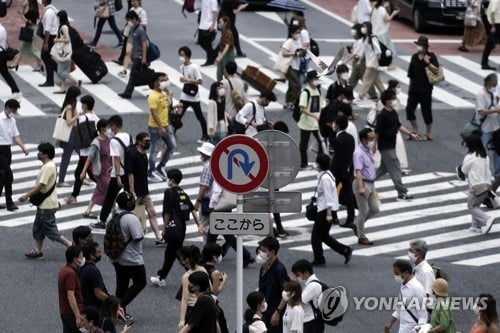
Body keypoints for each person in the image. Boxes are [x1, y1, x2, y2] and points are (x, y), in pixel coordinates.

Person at [150, 168, 204, 287]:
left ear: (172, 180)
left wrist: (164, 228)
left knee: (178, 254)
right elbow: (192, 209)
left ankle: (195, 275)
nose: (167, 180)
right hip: (182, 228)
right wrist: (198, 225)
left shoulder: (169, 192)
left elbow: (167, 212)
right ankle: (162, 276)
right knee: (173, 253)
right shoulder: (182, 193)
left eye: (168, 178)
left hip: (173, 227)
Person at [19, 142, 72, 259]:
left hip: (46, 205)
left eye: (40, 152)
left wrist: (27, 195)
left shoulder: (48, 167)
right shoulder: (50, 165)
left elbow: (42, 185)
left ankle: (71, 246)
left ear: (46, 155)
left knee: (51, 230)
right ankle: (38, 250)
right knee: (38, 228)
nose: (38, 154)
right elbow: (50, 186)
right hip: (47, 203)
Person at [310, 153, 353, 266]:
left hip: (325, 210)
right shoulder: (327, 174)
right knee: (324, 235)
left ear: (319, 164)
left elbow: (328, 196)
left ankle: (319, 259)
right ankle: (345, 250)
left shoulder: (325, 178)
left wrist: (329, 214)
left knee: (315, 236)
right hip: (326, 209)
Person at [374, 89, 417, 200]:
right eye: (392, 99)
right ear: (387, 101)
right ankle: (402, 192)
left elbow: (398, 125)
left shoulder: (392, 112)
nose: (394, 100)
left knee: (383, 169)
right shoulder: (382, 115)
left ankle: (366, 182)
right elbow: (377, 131)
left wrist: (410, 134)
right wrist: (375, 144)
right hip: (386, 146)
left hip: (390, 145)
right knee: (396, 168)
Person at [111, 191, 146, 321]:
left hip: (116, 256)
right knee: (140, 282)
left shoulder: (113, 216)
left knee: (121, 284)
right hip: (131, 257)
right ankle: (119, 306)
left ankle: (120, 313)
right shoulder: (131, 218)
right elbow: (138, 236)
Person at [92, 115, 132, 229]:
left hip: (118, 173)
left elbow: (116, 158)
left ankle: (102, 220)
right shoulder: (129, 137)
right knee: (129, 196)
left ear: (114, 125)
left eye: (110, 126)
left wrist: (117, 175)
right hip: (128, 171)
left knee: (109, 197)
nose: (109, 129)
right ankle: (132, 219)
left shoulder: (114, 141)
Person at [127, 132, 163, 244]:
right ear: (138, 141)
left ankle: (158, 237)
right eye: (145, 141)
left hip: (144, 190)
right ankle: (133, 237)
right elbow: (130, 173)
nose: (147, 143)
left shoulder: (143, 154)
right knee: (135, 216)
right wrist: (132, 190)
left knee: (152, 212)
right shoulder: (132, 155)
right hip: (136, 191)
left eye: (148, 141)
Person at [461, 134, 498, 234]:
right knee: (476, 204)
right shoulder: (485, 156)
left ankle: (487, 219)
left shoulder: (470, 156)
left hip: (476, 185)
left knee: (471, 206)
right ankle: (475, 226)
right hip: (487, 184)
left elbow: (464, 170)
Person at [67, 95, 99, 205]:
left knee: (93, 175)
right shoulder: (95, 117)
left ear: (85, 105)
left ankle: (109, 190)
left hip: (86, 151)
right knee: (79, 173)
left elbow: (69, 123)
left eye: (82, 104)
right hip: (93, 149)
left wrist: (73, 113)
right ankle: (74, 196)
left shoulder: (82, 119)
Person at [406, 36, 439, 141]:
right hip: (414, 89)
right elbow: (411, 73)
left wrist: (427, 62)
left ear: (425, 47)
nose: (419, 47)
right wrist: (409, 88)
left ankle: (428, 132)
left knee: (426, 111)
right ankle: (415, 130)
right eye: (418, 45)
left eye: (421, 45)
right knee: (409, 110)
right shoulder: (414, 57)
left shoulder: (431, 56)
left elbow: (436, 70)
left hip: (426, 89)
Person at [383, 259, 428, 333]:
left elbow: (423, 316)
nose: (395, 276)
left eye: (397, 273)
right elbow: (401, 307)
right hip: (403, 328)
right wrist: (390, 322)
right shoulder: (404, 284)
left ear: (406, 272)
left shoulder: (417, 288)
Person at [0, 99, 29, 211]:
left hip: (7, 150)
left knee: (2, 177)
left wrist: (23, 148)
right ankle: (9, 202)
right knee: (8, 175)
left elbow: (15, 136)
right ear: (7, 107)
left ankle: (8, 202)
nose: (14, 112)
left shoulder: (12, 121)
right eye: (14, 110)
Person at [147, 72, 176, 182]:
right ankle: (151, 172)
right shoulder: (152, 96)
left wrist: (169, 123)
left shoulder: (164, 93)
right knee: (155, 150)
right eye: (161, 80)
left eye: (165, 80)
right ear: (155, 82)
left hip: (166, 125)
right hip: (156, 127)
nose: (164, 83)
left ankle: (161, 166)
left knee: (172, 146)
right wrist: (160, 127)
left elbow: (167, 108)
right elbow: (154, 113)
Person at [80, 119, 112, 218]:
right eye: (108, 127)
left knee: (100, 190)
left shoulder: (108, 139)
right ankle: (113, 208)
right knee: (109, 189)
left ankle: (88, 210)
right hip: (100, 171)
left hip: (109, 169)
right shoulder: (96, 143)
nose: (109, 129)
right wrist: (83, 172)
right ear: (102, 129)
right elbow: (89, 158)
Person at [257, 236, 289, 333]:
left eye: (264, 250)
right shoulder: (263, 267)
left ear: (273, 252)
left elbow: (286, 292)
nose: (261, 253)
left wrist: (278, 312)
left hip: (275, 310)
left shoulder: (279, 269)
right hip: (264, 310)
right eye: (260, 250)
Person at [353, 128, 379, 245]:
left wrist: (375, 141)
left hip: (371, 183)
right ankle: (361, 236)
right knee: (363, 211)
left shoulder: (367, 149)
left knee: (375, 209)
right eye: (371, 139)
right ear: (364, 139)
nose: (372, 141)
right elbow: (358, 171)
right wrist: (361, 187)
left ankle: (357, 224)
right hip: (362, 183)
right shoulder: (358, 153)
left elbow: (374, 150)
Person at [178, 46, 209, 142]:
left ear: (187, 56)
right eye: (180, 55)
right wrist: (183, 80)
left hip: (194, 97)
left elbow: (200, 81)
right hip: (184, 96)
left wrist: (188, 80)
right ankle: (171, 135)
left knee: (199, 117)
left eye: (182, 55)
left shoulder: (194, 67)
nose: (180, 57)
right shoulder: (181, 67)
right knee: (177, 116)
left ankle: (205, 135)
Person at [330, 115, 356, 229]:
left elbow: (336, 159)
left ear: (338, 125)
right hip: (348, 170)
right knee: (349, 195)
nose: (333, 125)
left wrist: (331, 172)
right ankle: (350, 218)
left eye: (334, 123)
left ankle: (334, 217)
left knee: (333, 194)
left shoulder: (337, 140)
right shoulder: (350, 138)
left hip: (337, 172)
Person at [475, 73, 500, 189]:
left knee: (498, 151)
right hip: (485, 128)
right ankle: (468, 170)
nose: (497, 82)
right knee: (481, 153)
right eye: (495, 80)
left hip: (495, 127)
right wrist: (495, 111)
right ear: (489, 81)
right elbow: (481, 111)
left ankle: (498, 173)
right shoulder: (481, 94)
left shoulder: (493, 93)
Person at [177, 246, 209, 330]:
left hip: (192, 308)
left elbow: (184, 299)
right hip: (206, 306)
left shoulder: (186, 276)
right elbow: (210, 289)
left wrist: (182, 319)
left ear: (187, 259)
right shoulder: (203, 269)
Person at [297, 70, 324, 169]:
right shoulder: (306, 92)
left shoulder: (318, 90)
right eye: (315, 79)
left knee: (321, 142)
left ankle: (319, 162)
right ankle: (303, 164)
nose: (316, 81)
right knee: (304, 144)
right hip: (306, 122)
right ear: (309, 80)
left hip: (316, 123)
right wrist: (314, 116)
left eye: (317, 79)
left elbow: (321, 105)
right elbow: (302, 108)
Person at [118, 10, 147, 99]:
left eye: (129, 20)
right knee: (138, 75)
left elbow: (144, 44)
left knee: (133, 75)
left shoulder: (140, 30)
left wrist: (143, 58)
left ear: (134, 19)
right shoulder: (133, 28)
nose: (129, 22)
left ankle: (127, 93)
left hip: (139, 56)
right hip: (134, 55)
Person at [57, 86, 82, 187]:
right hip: (70, 134)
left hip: (74, 133)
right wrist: (77, 116)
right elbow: (68, 122)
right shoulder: (69, 106)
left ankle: (81, 177)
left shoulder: (72, 103)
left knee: (83, 156)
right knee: (66, 158)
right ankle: (61, 181)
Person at [8, 0, 43, 72]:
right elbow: (25, 15)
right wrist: (23, 7)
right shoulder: (31, 8)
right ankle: (15, 63)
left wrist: (22, 15)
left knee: (33, 49)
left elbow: (28, 21)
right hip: (30, 29)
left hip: (31, 30)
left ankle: (40, 64)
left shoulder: (32, 11)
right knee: (23, 48)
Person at [291, 259, 323, 333]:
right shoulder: (310, 283)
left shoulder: (312, 286)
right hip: (311, 321)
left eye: (297, 275)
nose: (295, 277)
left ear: (306, 273)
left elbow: (298, 303)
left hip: (310, 323)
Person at [346, 24, 377, 99]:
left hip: (360, 61)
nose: (353, 35)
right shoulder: (358, 41)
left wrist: (345, 61)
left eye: (354, 33)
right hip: (358, 61)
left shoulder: (361, 41)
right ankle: (372, 94)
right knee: (361, 79)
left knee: (356, 79)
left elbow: (357, 53)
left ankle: (348, 94)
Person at [58, 245, 84, 333]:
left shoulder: (64, 270)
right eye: (81, 256)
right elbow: (71, 295)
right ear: (75, 258)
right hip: (71, 313)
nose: (82, 258)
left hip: (65, 311)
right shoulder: (71, 273)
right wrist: (77, 315)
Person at [115, 0, 147, 71]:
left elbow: (145, 24)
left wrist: (136, 25)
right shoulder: (131, 9)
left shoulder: (142, 11)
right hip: (130, 31)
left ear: (139, 2)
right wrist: (125, 27)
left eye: (135, 1)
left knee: (140, 47)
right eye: (132, 1)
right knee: (126, 48)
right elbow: (128, 21)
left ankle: (143, 59)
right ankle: (122, 62)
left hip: (138, 32)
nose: (133, 3)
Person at [53, 10, 80, 93]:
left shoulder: (64, 27)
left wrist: (57, 40)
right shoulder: (64, 26)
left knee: (61, 72)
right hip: (66, 51)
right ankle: (63, 87)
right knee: (64, 69)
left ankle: (76, 81)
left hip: (64, 51)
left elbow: (67, 39)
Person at [357, 21, 385, 100]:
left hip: (372, 63)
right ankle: (385, 95)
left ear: (368, 28)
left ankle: (360, 96)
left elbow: (378, 51)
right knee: (377, 81)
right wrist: (360, 60)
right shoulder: (366, 38)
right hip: (369, 62)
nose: (363, 29)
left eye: (364, 27)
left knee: (366, 79)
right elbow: (365, 51)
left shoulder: (373, 38)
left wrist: (376, 62)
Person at [79, 241, 109, 309]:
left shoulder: (82, 268)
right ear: (91, 256)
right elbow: (98, 294)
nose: (100, 254)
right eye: (98, 252)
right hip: (94, 307)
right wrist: (112, 302)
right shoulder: (94, 271)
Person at [282, 25, 304, 111]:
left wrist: (302, 52)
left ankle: (287, 102)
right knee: (297, 85)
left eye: (299, 32)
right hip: (289, 66)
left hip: (297, 66)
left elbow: (301, 50)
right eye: (296, 32)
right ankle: (293, 102)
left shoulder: (299, 41)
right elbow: (284, 53)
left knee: (291, 86)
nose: (298, 34)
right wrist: (294, 53)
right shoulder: (289, 42)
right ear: (292, 33)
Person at [370, 0, 399, 67]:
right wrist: (393, 14)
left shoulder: (374, 8)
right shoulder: (382, 9)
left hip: (375, 32)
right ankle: (390, 64)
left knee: (378, 50)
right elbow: (386, 19)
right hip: (382, 32)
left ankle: (377, 63)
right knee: (389, 49)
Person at [38, 0, 58, 87]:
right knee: (47, 57)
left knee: (45, 57)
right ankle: (59, 73)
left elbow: (47, 29)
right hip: (51, 37)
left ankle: (52, 78)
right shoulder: (51, 10)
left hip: (50, 38)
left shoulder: (49, 12)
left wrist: (46, 42)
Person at [221, 60, 246, 126]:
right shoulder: (240, 82)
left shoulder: (223, 83)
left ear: (225, 70)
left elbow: (219, 99)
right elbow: (244, 98)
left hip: (228, 114)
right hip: (238, 114)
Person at [197, 0, 218, 66]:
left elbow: (215, 12)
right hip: (202, 24)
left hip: (209, 24)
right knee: (200, 41)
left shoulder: (213, 1)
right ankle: (213, 54)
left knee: (207, 43)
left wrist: (213, 24)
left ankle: (210, 60)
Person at [481, 0, 500, 70]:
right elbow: (492, 13)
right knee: (489, 45)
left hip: (495, 24)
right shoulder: (496, 1)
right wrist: (493, 26)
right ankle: (484, 63)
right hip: (497, 24)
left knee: (489, 46)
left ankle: (484, 63)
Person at [215, 16, 235, 81]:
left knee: (227, 74)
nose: (219, 24)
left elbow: (227, 47)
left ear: (225, 23)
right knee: (219, 73)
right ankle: (220, 86)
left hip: (228, 55)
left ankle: (230, 87)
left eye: (220, 22)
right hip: (223, 54)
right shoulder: (223, 31)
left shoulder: (228, 33)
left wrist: (220, 57)